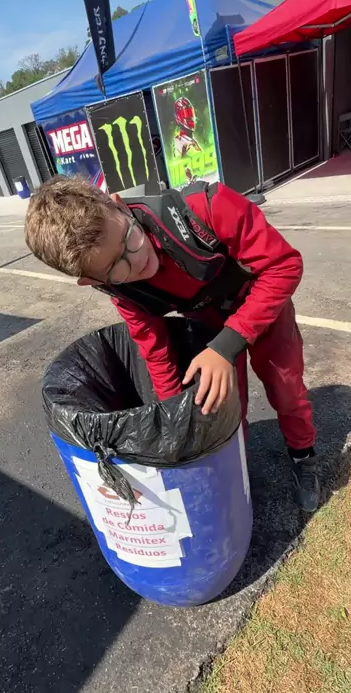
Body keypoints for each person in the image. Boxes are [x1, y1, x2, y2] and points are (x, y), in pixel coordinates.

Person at [25, 176, 320, 512]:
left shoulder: (206, 208)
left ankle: (303, 456)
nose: (137, 260)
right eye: (116, 267)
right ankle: (236, 466)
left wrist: (226, 345)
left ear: (119, 205)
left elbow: (283, 265)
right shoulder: (122, 291)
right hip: (208, 321)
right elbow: (156, 352)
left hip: (263, 304)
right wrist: (174, 418)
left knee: (286, 389)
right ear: (92, 280)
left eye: (130, 238)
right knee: (219, 405)